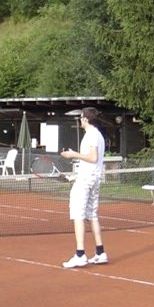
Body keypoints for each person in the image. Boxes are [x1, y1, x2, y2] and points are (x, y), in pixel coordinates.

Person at [60, 107, 108, 267]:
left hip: (88, 180)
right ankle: (100, 252)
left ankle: (80, 254)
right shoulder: (97, 135)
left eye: (81, 117)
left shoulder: (92, 135)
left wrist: (73, 154)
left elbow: (93, 158)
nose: (80, 120)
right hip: (92, 179)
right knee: (91, 214)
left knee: (78, 214)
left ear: (86, 119)